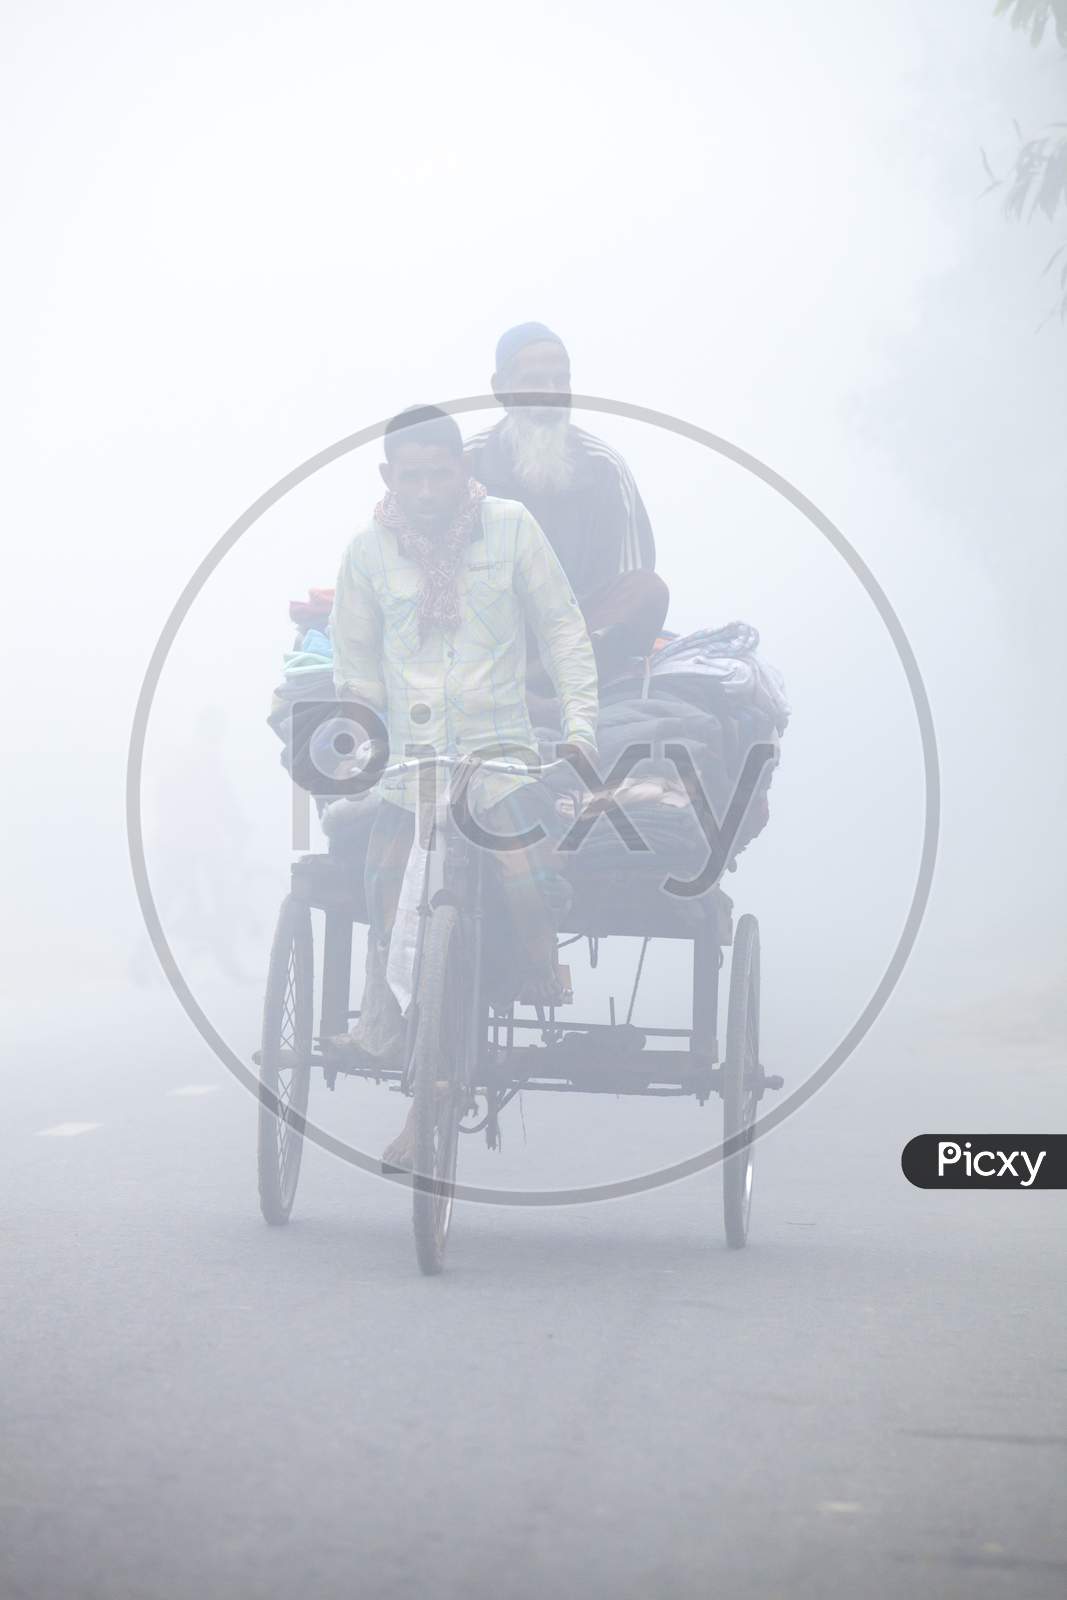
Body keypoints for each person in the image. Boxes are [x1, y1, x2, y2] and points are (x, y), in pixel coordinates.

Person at [328, 404, 598, 1169]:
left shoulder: (510, 529)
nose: (423, 490)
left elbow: (563, 630)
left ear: (461, 471)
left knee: (527, 885)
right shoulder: (365, 554)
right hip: (410, 769)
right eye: (407, 476)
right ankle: (397, 1025)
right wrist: (360, 743)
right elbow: (354, 667)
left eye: (436, 473)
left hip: (501, 757)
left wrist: (579, 727)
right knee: (381, 892)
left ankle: (544, 964)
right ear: (388, 479)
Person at [464, 322, 670, 696]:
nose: (551, 393)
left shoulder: (604, 466)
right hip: (488, 636)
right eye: (535, 380)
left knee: (646, 591)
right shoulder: (469, 464)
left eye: (561, 380)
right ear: (500, 388)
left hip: (576, 637)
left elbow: (631, 577)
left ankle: (529, 686)